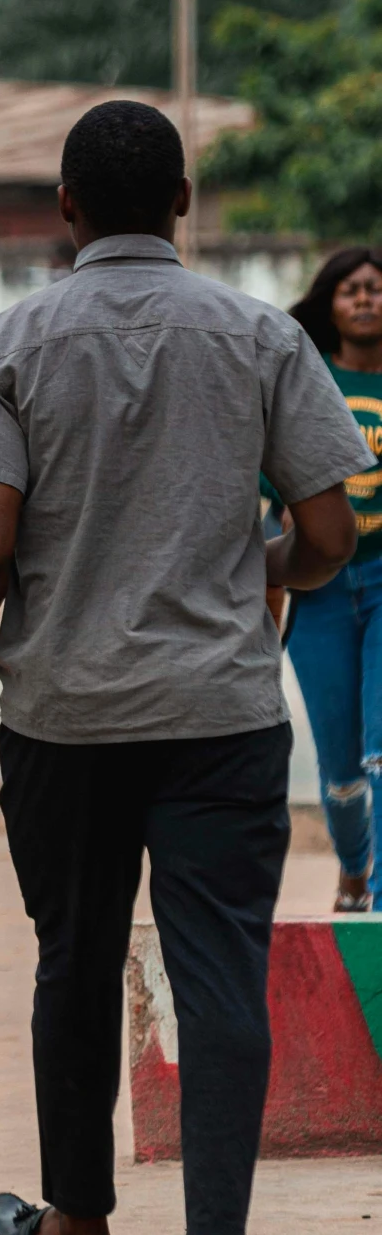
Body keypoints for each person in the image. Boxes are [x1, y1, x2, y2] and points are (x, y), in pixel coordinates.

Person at [0, 101, 369, 1235]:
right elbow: (329, 538)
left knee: (74, 957)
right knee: (218, 968)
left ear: (64, 207)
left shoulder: (5, 343)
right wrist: (259, 560)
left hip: (62, 714)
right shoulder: (262, 336)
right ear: (182, 205)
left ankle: (82, 1230)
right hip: (219, 709)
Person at [281, 248, 382, 912]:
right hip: (316, 595)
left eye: (376, 288)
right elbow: (271, 491)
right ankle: (352, 868)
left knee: (381, 757)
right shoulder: (305, 383)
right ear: (330, 303)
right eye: (351, 289)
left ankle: (377, 903)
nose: (366, 298)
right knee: (342, 776)